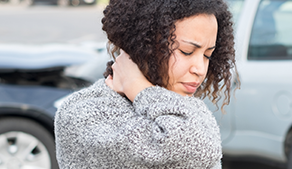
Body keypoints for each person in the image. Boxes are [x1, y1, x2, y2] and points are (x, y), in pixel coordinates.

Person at [54, 0, 239, 168]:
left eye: (207, 55)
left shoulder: (178, 108)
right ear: (143, 43)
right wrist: (137, 85)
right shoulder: (82, 112)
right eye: (187, 51)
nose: (200, 69)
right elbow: (195, 145)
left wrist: (137, 87)